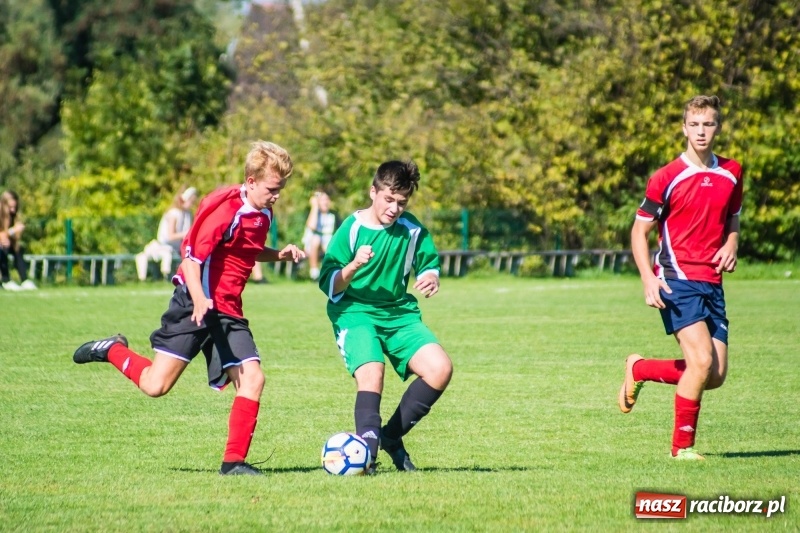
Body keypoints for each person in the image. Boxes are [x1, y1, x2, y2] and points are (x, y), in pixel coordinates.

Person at [73, 141, 305, 475]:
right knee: (156, 386)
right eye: (272, 188)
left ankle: (233, 462)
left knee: (252, 378)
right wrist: (199, 298)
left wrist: (278, 254)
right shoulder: (225, 210)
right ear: (251, 181)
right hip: (193, 304)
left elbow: (244, 250)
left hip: (227, 312)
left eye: (281, 189)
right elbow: (192, 260)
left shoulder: (263, 212)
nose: (277, 195)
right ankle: (112, 350)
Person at [619, 95, 743, 461]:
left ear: (718, 127)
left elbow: (733, 216)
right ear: (684, 128)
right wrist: (648, 278)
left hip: (712, 282)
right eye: (695, 124)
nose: (701, 131)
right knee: (701, 363)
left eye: (708, 124)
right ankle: (681, 449)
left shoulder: (732, 171)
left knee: (714, 375)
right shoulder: (666, 177)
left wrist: (732, 243)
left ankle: (639, 369)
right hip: (676, 278)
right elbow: (639, 232)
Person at [318, 160, 453, 473]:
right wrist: (352, 266)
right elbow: (328, 283)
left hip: (398, 313)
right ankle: (368, 454)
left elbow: (429, 261)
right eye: (388, 199)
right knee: (372, 372)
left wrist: (431, 276)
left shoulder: (412, 229)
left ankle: (391, 436)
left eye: (401, 202)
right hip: (354, 311)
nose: (394, 208)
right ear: (373, 192)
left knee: (440, 369)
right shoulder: (351, 229)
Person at [135, 186, 198, 281]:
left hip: (176, 249)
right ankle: (163, 278)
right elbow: (171, 236)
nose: (191, 204)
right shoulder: (173, 213)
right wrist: (186, 234)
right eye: (190, 201)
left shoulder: (187, 214)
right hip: (163, 247)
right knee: (166, 257)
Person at [0, 190, 37, 291]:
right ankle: (6, 280)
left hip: (4, 244)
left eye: (14, 207)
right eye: (10, 207)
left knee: (18, 249)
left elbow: (8, 236)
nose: (13, 210)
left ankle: (24, 280)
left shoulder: (13, 216)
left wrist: (14, 235)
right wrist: (13, 230)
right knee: (2, 250)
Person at [303, 191, 336, 281]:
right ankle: (314, 273)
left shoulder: (333, 216)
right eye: (322, 200)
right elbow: (312, 226)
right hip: (312, 244)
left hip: (327, 243)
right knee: (316, 239)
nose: (325, 202)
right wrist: (314, 207)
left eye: (327, 199)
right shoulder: (313, 214)